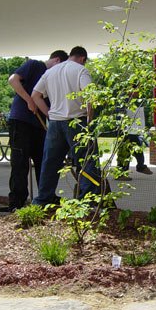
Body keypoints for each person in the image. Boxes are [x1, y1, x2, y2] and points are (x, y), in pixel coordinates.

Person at [31, 46, 100, 206]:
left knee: (50, 163)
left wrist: (49, 114)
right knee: (86, 161)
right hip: (77, 121)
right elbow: (90, 97)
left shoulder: (50, 72)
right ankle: (88, 201)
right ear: (83, 58)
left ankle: (42, 200)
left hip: (55, 123)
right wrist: (90, 122)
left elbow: (35, 95)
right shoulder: (81, 71)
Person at [7, 50, 68, 211]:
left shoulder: (53, 78)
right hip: (21, 122)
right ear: (56, 60)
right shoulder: (35, 65)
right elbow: (13, 80)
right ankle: (17, 202)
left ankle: (45, 198)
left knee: (44, 162)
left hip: (39, 125)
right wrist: (29, 100)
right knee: (20, 164)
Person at [116, 105, 153, 181]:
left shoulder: (138, 100)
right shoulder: (125, 100)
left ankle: (141, 167)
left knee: (138, 148)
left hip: (134, 130)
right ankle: (120, 173)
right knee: (125, 152)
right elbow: (120, 113)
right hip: (126, 130)